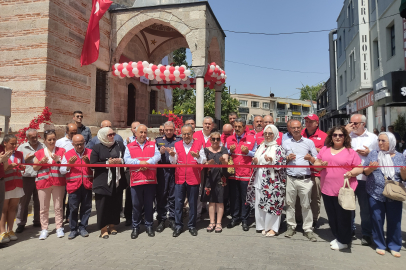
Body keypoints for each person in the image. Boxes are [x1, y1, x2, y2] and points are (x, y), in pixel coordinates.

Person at [314, 126, 363, 250]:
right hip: (327, 189)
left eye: (340, 135)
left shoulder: (350, 152)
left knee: (344, 217)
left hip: (344, 190)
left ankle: (344, 240)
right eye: (335, 135)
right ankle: (338, 236)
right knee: (332, 215)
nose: (337, 137)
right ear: (331, 136)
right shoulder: (324, 149)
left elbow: (359, 167)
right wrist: (321, 165)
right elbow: (316, 166)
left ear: (345, 137)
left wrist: (352, 173)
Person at [363, 132, 406, 257]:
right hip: (375, 192)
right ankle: (380, 244)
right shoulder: (373, 154)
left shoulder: (399, 156)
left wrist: (404, 172)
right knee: (377, 219)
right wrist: (371, 168)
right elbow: (365, 172)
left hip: (394, 193)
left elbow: (404, 178)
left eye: (383, 141)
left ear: (391, 142)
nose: (380, 143)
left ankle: (394, 245)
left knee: (395, 220)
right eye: (379, 140)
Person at [246, 125, 286, 237]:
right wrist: (255, 161)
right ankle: (262, 226)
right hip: (259, 180)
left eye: (270, 133)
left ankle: (273, 228)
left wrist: (272, 161)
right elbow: (257, 162)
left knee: (273, 204)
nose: (267, 136)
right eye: (266, 133)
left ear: (275, 135)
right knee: (260, 203)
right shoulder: (260, 147)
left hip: (273, 183)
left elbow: (281, 166)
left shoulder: (279, 149)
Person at [282, 120, 318, 242]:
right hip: (290, 178)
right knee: (290, 204)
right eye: (293, 128)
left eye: (298, 127)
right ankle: (291, 226)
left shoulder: (309, 142)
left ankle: (308, 229)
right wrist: (286, 159)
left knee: (306, 205)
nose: (296, 130)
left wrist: (311, 158)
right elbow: (281, 161)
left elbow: (317, 160)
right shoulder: (285, 143)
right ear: (290, 129)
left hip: (305, 179)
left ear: (301, 128)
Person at [345, 114, 378, 246]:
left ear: (363, 124)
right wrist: (345, 132)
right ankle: (350, 229)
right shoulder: (346, 136)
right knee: (349, 206)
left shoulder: (373, 138)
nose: (353, 125)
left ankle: (366, 233)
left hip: (366, 177)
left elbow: (378, 155)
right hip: (350, 177)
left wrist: (369, 153)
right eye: (351, 123)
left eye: (356, 123)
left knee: (365, 208)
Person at [169, 124, 206, 237]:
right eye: (184, 134)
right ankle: (178, 226)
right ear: (181, 134)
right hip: (180, 178)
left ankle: (192, 226)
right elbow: (173, 162)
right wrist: (171, 156)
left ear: (192, 133)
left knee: (193, 203)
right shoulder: (177, 144)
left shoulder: (198, 144)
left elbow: (203, 161)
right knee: (178, 204)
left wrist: (198, 156)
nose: (186, 136)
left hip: (193, 178)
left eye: (188, 133)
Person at [124, 124, 161, 239]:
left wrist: (148, 162)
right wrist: (140, 163)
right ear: (136, 133)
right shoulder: (129, 146)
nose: (143, 135)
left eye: (145, 132)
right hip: (136, 179)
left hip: (150, 179)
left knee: (149, 205)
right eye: (141, 132)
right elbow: (127, 160)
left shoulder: (152, 144)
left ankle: (149, 226)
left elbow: (158, 155)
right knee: (136, 205)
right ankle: (135, 227)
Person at [90, 127, 126, 239]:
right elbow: (92, 164)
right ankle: (103, 228)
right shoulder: (97, 147)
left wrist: (120, 161)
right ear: (103, 135)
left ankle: (112, 225)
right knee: (102, 206)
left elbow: (126, 158)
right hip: (102, 181)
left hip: (117, 181)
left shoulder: (119, 145)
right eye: (109, 135)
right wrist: (107, 163)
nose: (112, 136)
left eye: (113, 134)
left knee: (115, 204)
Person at [32, 130, 66, 240]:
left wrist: (58, 161)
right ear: (45, 140)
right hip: (43, 183)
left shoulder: (62, 151)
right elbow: (34, 168)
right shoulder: (40, 152)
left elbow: (65, 167)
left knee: (58, 207)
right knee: (43, 208)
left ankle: (59, 227)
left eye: (54, 139)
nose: (52, 141)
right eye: (49, 139)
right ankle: (44, 229)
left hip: (58, 182)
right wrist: (41, 162)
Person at [225, 118, 257, 231]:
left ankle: (244, 219)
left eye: (239, 127)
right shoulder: (229, 139)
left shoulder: (251, 139)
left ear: (244, 127)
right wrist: (230, 151)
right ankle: (235, 217)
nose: (237, 129)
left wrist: (248, 152)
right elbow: (224, 152)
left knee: (245, 198)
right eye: (236, 126)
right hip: (233, 173)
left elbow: (256, 153)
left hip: (245, 173)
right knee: (234, 197)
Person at [60, 134, 93, 239]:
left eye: (81, 144)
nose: (79, 146)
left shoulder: (90, 153)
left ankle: (83, 227)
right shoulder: (68, 154)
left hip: (87, 184)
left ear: (85, 143)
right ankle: (73, 229)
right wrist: (69, 164)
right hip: (74, 186)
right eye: (77, 144)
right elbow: (62, 170)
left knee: (86, 208)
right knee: (73, 208)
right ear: (72, 144)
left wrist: (89, 163)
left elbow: (96, 170)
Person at [297, 114, 327, 228]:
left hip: (316, 172)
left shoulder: (324, 136)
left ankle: (314, 219)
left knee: (315, 197)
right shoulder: (299, 133)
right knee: (300, 197)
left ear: (317, 123)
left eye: (311, 121)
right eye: (306, 121)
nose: (308, 123)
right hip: (301, 171)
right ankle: (299, 218)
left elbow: (327, 152)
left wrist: (315, 150)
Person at [155, 121, 181, 232]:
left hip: (175, 171)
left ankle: (172, 219)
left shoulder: (179, 140)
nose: (169, 132)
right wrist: (160, 153)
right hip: (162, 172)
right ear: (163, 130)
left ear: (174, 130)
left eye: (171, 130)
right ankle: (161, 220)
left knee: (173, 196)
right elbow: (153, 156)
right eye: (167, 130)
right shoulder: (158, 141)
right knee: (161, 196)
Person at [15, 129, 43, 233]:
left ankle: (37, 221)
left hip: (40, 177)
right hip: (26, 178)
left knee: (39, 201)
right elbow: (17, 163)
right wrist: (25, 160)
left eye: (36, 137)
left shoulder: (42, 146)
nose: (35, 139)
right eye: (32, 137)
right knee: (24, 202)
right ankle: (21, 223)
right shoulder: (22, 147)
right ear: (27, 138)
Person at [201, 132, 229, 233]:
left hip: (220, 178)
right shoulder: (206, 150)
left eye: (218, 139)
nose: (216, 141)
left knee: (220, 201)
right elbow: (203, 163)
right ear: (210, 140)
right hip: (210, 178)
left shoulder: (223, 149)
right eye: (213, 139)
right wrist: (208, 163)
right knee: (211, 201)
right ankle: (212, 222)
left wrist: (223, 161)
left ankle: (219, 223)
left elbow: (226, 162)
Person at [0, 135, 25, 243]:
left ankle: (11, 230)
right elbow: (3, 170)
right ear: (5, 143)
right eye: (12, 143)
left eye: (16, 144)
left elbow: (23, 166)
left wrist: (21, 167)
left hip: (17, 183)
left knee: (13, 208)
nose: (14, 146)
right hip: (6, 184)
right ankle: (2, 232)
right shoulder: (2, 154)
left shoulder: (19, 154)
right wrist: (10, 166)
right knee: (3, 209)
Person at [56, 122, 77, 224]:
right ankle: (61, 217)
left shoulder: (78, 141)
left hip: (74, 173)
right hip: (63, 173)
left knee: (72, 196)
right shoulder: (60, 142)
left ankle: (70, 216)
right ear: (66, 132)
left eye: (75, 132)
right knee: (62, 196)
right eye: (72, 132)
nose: (74, 134)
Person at [123, 121, 140, 226]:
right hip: (131, 170)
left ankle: (140, 216)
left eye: (138, 127)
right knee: (129, 193)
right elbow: (126, 156)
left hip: (142, 169)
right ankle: (128, 216)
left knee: (141, 194)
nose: (136, 129)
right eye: (135, 128)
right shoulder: (127, 141)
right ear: (131, 130)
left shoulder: (146, 140)